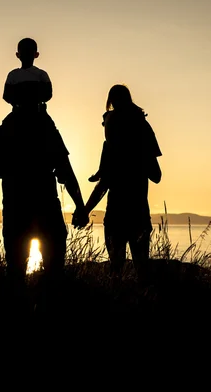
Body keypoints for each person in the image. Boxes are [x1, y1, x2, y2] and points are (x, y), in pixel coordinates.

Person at [0, 41, 88, 310]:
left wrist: (5, 170)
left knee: (15, 273)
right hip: (45, 209)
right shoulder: (45, 128)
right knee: (53, 274)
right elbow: (65, 168)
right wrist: (80, 205)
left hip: (15, 209)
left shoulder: (5, 128)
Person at [82, 84, 162, 280]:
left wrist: (85, 210)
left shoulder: (114, 136)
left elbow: (104, 184)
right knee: (142, 271)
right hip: (139, 213)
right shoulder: (142, 128)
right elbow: (156, 175)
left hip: (117, 214)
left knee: (116, 272)